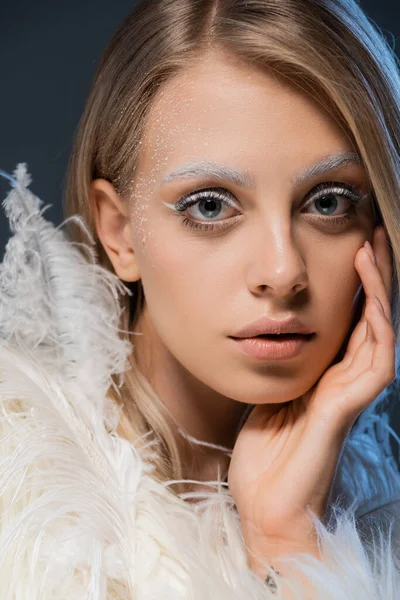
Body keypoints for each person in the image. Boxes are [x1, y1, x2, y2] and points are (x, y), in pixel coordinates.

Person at [1, 0, 400, 596]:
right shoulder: (21, 499)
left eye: (329, 201)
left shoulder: (380, 511)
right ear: (119, 232)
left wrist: (288, 541)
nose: (282, 271)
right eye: (210, 205)